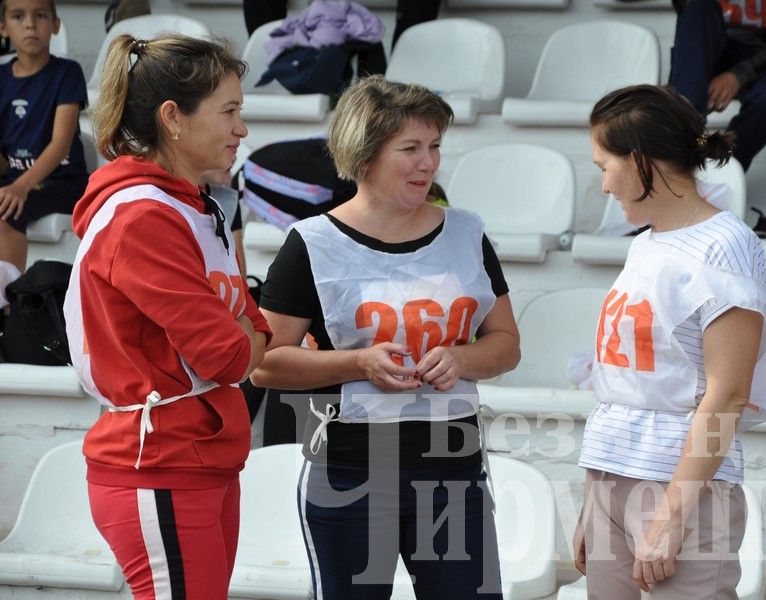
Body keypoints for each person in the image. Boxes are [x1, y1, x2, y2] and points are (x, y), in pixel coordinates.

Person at [252, 75, 520, 599]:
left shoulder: (467, 232)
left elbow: (507, 343)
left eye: (435, 146)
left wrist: (462, 359)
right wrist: (358, 364)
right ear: (366, 153)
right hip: (348, 474)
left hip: (454, 472)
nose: (429, 162)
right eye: (411, 148)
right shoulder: (311, 242)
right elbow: (265, 364)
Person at [62, 34, 270, 599]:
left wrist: (246, 337)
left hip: (198, 458)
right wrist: (245, 338)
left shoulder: (191, 204)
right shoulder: (144, 219)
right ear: (173, 118)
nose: (242, 130)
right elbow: (229, 354)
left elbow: (256, 326)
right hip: (160, 464)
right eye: (229, 112)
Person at [573, 85, 766, 598]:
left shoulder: (726, 246)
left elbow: (727, 394)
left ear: (642, 161)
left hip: (681, 487)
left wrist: (672, 515)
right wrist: (594, 500)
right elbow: (625, 385)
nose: (603, 185)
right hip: (614, 477)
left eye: (606, 166)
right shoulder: (645, 244)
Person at [0, 0, 87, 310]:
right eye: (18, 16)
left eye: (40, 15)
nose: (30, 24)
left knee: (8, 208)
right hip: (15, 180)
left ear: (55, 24)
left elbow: (61, 144)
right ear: (3, 28)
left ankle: (10, 309)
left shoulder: (67, 73)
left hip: (63, 182)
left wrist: (20, 186)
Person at [668, 0, 766, 171]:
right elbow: (689, 21)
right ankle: (685, 140)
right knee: (699, 8)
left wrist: (739, 75)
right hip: (716, 51)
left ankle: (719, 169)